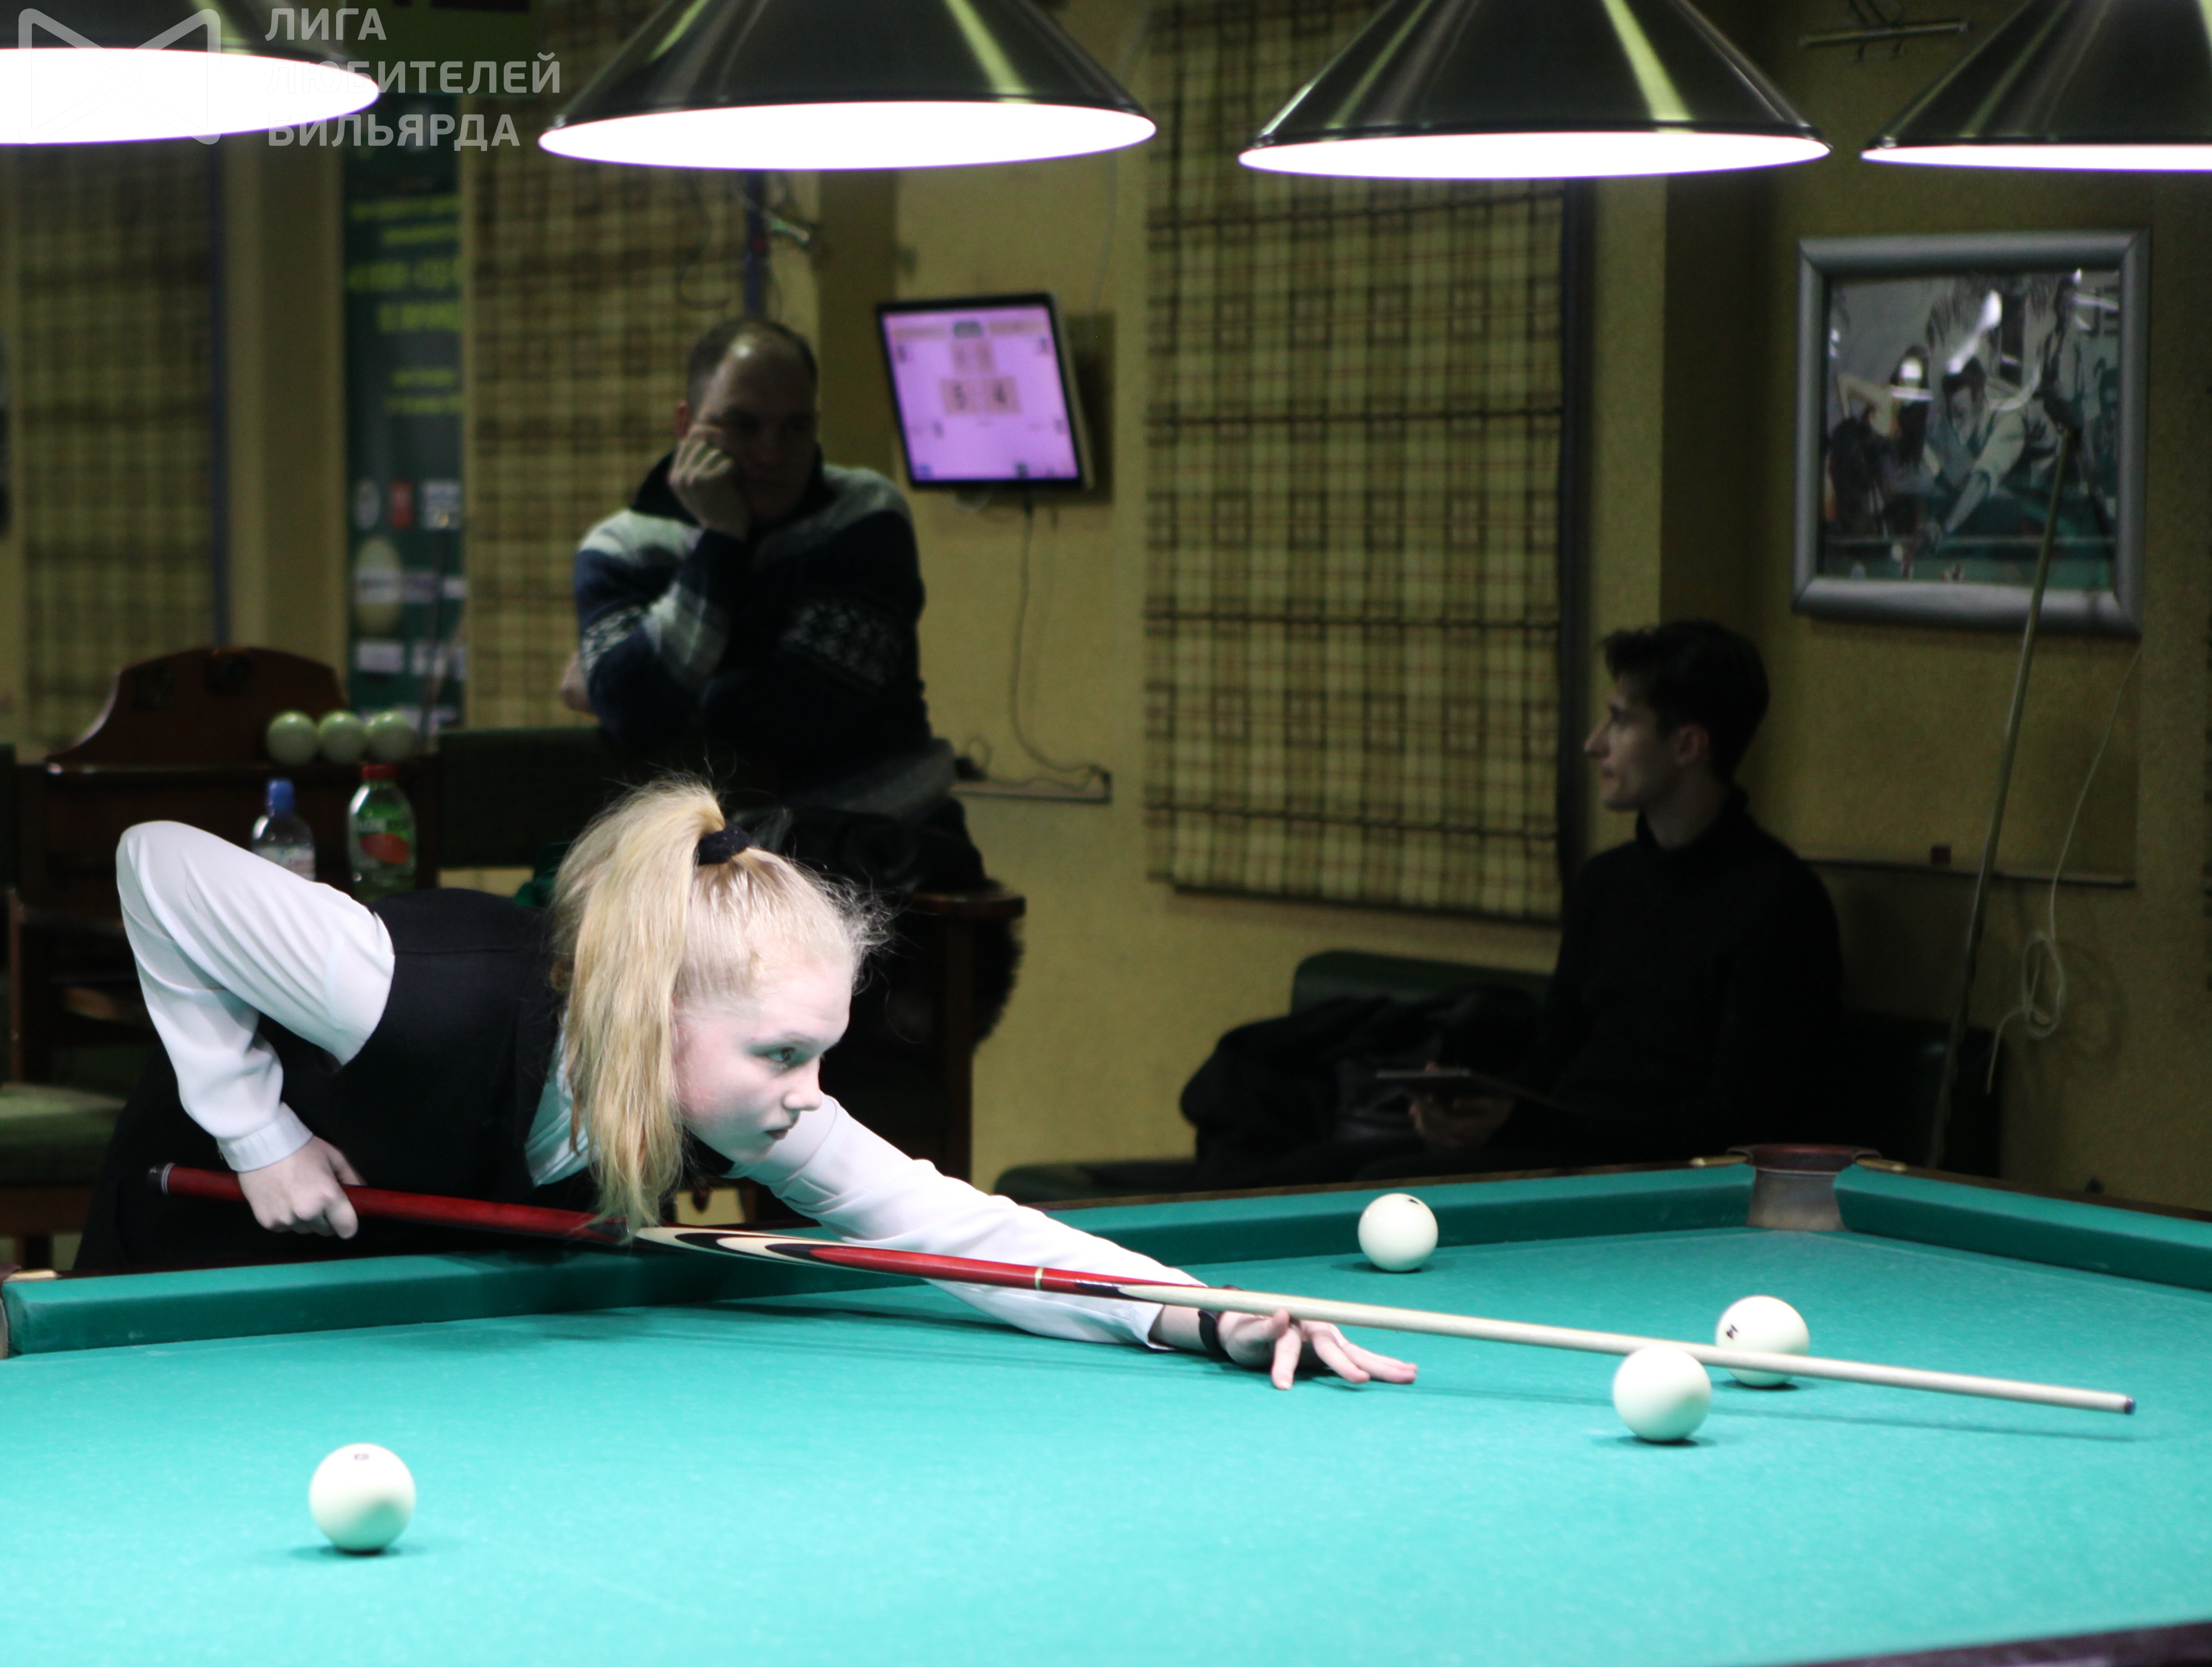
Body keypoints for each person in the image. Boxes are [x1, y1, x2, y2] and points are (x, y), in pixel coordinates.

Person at [77, 781, 1412, 1393]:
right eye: (780, 1052)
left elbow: (959, 1228)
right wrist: (253, 1128)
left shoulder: (753, 1103)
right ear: (653, 1011)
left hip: (390, 1352)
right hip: (180, 1283)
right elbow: (158, 864)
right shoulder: (406, 985)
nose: (807, 1093)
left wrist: (1201, 1315)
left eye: (820, 1051)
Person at [1385, 621, 1842, 1178]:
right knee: (1312, 1173)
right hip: (1560, 1153)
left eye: (1621, 721)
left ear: (1687, 745)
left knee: (1375, 1189)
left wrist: (1526, 1127)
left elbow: (1737, 1122)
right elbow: (1552, 1060)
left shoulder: (1778, 902)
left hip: (1656, 1183)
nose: (1594, 743)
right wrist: (1466, 1108)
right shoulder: (1605, 882)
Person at [561, 317, 952, 825]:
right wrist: (722, 536)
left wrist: (638, 690)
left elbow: (800, 715)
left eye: (795, 428)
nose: (771, 454)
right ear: (686, 425)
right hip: (702, 853)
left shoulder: (863, 515)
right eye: (742, 425)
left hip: (879, 838)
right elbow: (635, 712)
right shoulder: (620, 547)